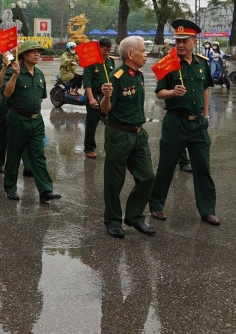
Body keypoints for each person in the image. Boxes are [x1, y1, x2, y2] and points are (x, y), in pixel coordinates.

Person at [148, 19, 219, 226]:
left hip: (197, 124)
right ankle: (156, 205)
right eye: (177, 40)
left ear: (194, 41)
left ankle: (207, 210)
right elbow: (160, 93)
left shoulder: (202, 63)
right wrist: (172, 92)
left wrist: (206, 116)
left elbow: (206, 89)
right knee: (166, 166)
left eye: (184, 41)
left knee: (203, 167)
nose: (180, 45)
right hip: (175, 122)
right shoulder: (169, 64)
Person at [100, 35, 155, 238]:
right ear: (131, 54)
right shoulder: (117, 76)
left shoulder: (138, 75)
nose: (145, 54)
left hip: (138, 134)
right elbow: (105, 110)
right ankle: (113, 220)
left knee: (148, 176)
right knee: (115, 181)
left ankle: (134, 216)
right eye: (142, 50)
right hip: (119, 134)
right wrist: (106, 96)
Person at [2, 41, 60, 203]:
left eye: (38, 52)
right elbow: (6, 93)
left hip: (36, 120)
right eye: (33, 52)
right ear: (23, 55)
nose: (37, 55)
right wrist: (14, 75)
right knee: (14, 155)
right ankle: (10, 188)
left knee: (38, 155)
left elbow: (40, 97)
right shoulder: (14, 71)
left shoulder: (40, 74)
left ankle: (45, 190)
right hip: (17, 119)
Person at [82, 37, 115, 159]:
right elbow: (87, 82)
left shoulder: (111, 61)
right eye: (105, 50)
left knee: (112, 122)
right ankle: (89, 148)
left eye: (109, 50)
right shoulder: (90, 62)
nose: (107, 53)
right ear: (99, 48)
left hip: (107, 96)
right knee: (92, 123)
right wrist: (91, 98)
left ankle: (112, 147)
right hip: (95, 95)